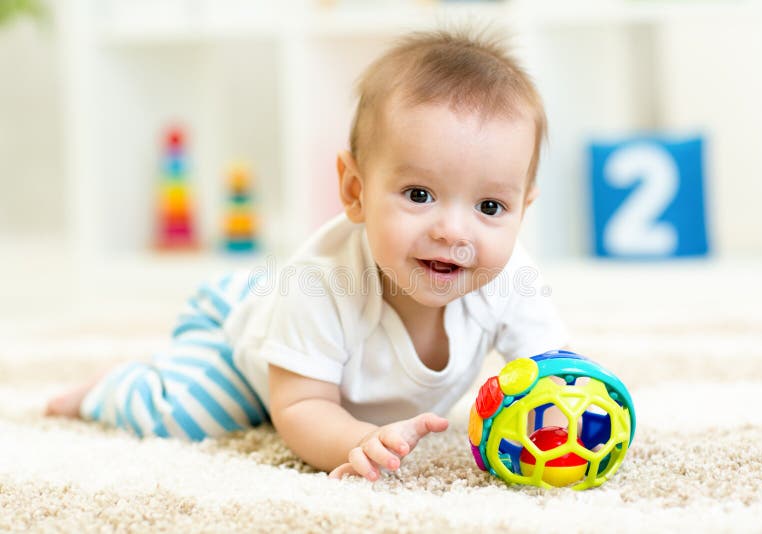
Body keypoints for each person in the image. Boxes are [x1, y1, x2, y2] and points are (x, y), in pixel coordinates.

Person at [45, 28, 568, 482]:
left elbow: (551, 371)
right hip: (243, 334)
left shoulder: (510, 278)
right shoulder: (321, 286)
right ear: (355, 190)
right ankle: (106, 391)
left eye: (491, 205)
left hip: (279, 307)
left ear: (523, 208)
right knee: (194, 413)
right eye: (419, 195)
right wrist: (354, 441)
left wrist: (566, 416)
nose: (454, 230)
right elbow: (300, 407)